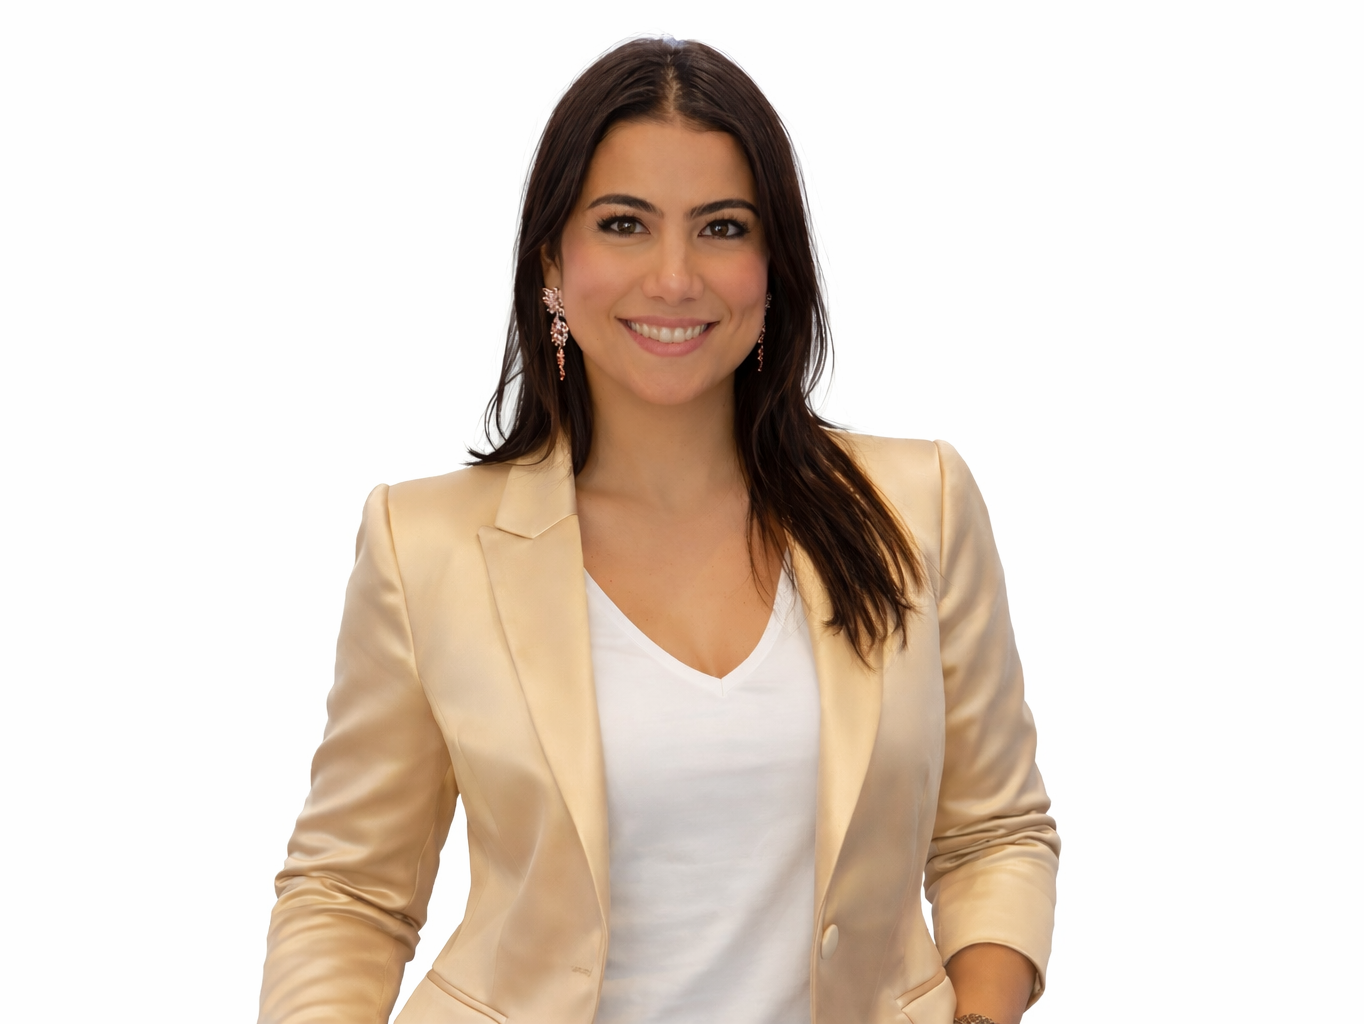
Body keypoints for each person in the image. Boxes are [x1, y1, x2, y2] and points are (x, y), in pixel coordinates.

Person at [258, 37, 1058, 1024]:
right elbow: (350, 891)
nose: (675, 278)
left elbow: (993, 834)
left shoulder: (916, 506)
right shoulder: (423, 547)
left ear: (773, 266)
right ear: (553, 264)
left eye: (721, 227)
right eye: (624, 224)